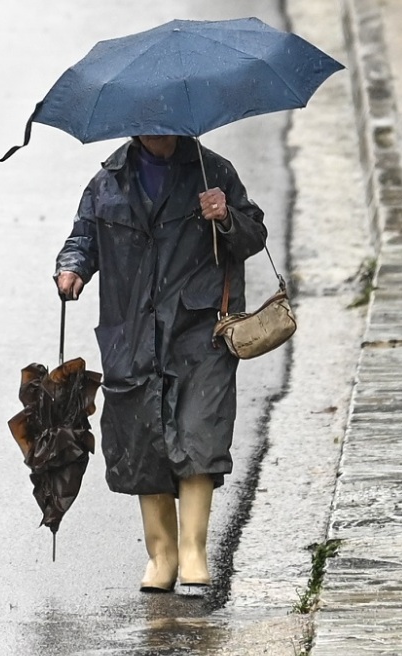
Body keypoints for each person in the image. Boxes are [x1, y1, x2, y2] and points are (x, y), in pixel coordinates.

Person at [54, 134, 266, 592]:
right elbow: (83, 238)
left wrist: (227, 216)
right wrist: (71, 267)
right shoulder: (107, 183)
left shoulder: (214, 171)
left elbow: (253, 235)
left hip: (199, 329)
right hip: (132, 332)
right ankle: (162, 555)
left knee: (200, 431)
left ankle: (193, 551)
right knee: (143, 439)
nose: (157, 132)